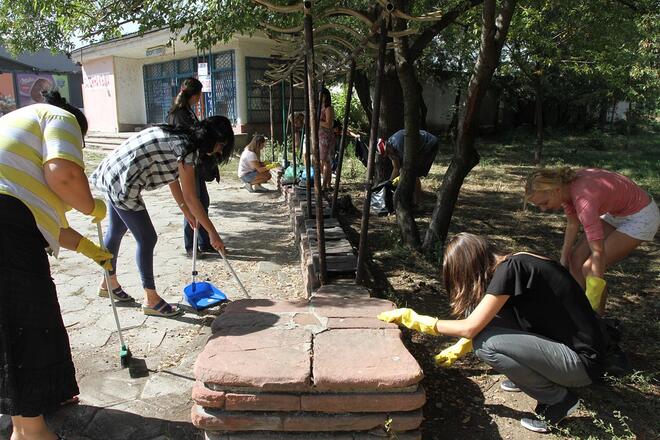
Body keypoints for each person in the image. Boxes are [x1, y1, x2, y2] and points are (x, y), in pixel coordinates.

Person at [379, 233, 610, 433]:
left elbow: (471, 327)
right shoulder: (518, 261)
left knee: (484, 344)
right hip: (579, 353)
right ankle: (537, 379)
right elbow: (491, 319)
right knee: (486, 328)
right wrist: (461, 344)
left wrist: (417, 321)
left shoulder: (509, 271)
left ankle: (559, 400)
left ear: (468, 266)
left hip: (582, 365)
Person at [1, 90, 112, 440]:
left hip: (10, 221)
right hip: (6, 227)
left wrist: (89, 248)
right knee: (27, 322)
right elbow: (63, 175)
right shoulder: (59, 117)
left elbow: (44, 220)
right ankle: (31, 432)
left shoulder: (13, 129)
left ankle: (30, 414)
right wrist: (90, 205)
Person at [90, 116, 235, 317]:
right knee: (147, 238)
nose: (220, 151)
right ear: (211, 139)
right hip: (124, 182)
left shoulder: (182, 138)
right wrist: (212, 233)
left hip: (114, 172)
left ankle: (108, 282)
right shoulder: (187, 150)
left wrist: (185, 210)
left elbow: (173, 180)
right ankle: (151, 298)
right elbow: (192, 197)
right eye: (221, 145)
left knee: (116, 230)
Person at [525, 167, 659, 314]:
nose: (543, 209)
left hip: (641, 216)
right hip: (616, 212)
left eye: (544, 203)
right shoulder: (564, 188)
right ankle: (577, 311)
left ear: (555, 190)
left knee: (589, 269)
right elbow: (572, 224)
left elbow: (598, 251)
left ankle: (596, 320)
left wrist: (595, 289)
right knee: (574, 259)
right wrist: (563, 260)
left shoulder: (584, 201)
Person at [167, 78, 219, 258]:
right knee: (192, 202)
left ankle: (204, 242)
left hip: (194, 162)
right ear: (196, 95)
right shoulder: (179, 113)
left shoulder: (187, 111)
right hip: (185, 163)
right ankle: (191, 246)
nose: (199, 99)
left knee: (203, 202)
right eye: (199, 96)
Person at [376, 129, 440, 204]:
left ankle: (417, 203)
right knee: (411, 172)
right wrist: (389, 183)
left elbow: (409, 164)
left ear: (388, 145)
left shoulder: (399, 144)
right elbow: (396, 168)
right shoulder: (390, 150)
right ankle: (413, 199)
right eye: (386, 155)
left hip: (430, 143)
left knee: (414, 173)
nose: (388, 155)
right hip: (416, 147)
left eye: (388, 152)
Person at [318, 87, 335, 191]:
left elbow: (328, 124)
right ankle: (327, 184)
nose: (320, 97)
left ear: (326, 96)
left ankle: (325, 185)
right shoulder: (321, 107)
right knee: (324, 161)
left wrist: (317, 121)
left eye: (322, 95)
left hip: (326, 136)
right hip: (321, 136)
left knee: (325, 161)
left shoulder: (328, 108)